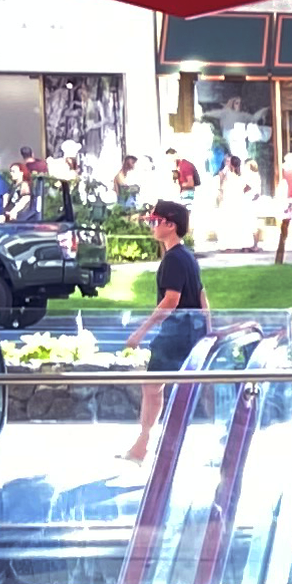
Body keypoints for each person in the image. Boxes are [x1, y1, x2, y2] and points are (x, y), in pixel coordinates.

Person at [123, 198, 208, 463]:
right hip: (190, 329)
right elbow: (202, 294)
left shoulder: (173, 259)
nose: (152, 226)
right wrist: (208, 327)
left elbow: (171, 300)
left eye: (155, 222)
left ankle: (145, 444)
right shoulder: (187, 256)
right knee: (161, 386)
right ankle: (145, 443)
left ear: (170, 225)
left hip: (176, 332)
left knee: (153, 385)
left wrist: (140, 332)